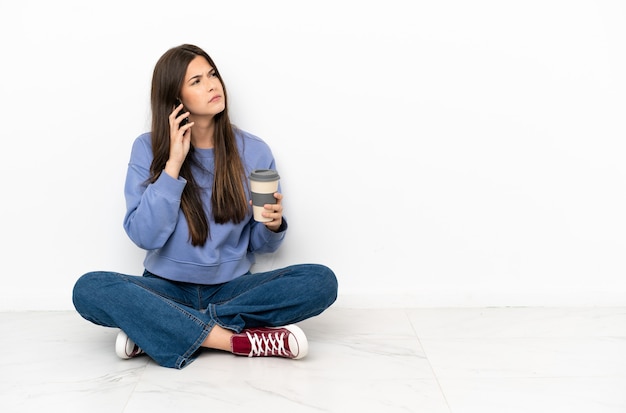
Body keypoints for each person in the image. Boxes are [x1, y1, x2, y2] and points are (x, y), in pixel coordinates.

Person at [72, 44, 338, 369]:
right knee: (89, 288)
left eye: (212, 74)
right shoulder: (147, 148)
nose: (212, 85)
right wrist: (173, 164)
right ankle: (232, 340)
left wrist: (271, 226)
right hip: (165, 287)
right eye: (196, 81)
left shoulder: (254, 151)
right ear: (175, 99)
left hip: (232, 289)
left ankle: (160, 328)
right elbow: (145, 236)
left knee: (320, 281)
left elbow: (261, 246)